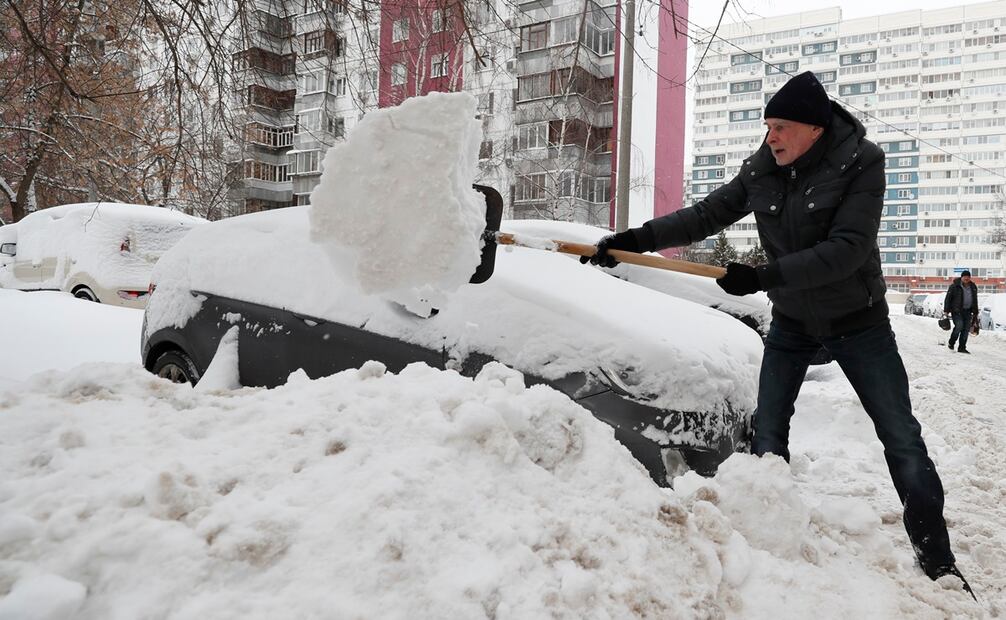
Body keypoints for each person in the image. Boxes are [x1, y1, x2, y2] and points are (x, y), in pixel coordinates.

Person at [583, 71, 971, 594]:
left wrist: (763, 277)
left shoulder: (862, 163)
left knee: (901, 438)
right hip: (792, 319)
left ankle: (937, 561)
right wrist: (636, 238)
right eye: (768, 127)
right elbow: (706, 215)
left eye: (781, 127)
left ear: (814, 129)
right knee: (768, 430)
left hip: (859, 321)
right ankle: (771, 534)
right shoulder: (764, 169)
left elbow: (847, 249)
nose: (771, 138)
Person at [943, 271, 979, 354]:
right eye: (965, 277)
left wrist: (975, 312)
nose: (966, 278)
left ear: (970, 278)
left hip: (968, 311)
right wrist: (946, 311)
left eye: (968, 277)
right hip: (957, 311)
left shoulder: (973, 287)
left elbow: (975, 299)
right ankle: (951, 342)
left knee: (966, 329)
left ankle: (962, 347)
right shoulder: (954, 286)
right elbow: (948, 299)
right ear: (961, 277)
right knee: (959, 326)